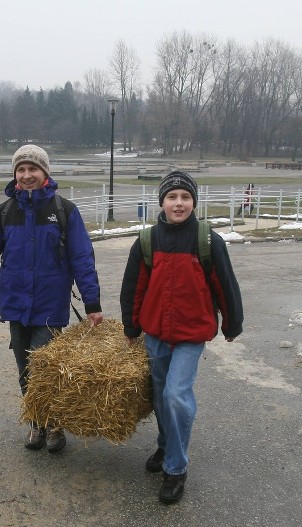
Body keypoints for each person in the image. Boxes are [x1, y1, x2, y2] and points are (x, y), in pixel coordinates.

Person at [0, 144, 103, 453]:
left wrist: (92, 304)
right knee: (25, 370)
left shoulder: (64, 211)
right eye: (21, 170)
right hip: (16, 306)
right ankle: (36, 424)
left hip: (50, 307)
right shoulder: (4, 214)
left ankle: (54, 425)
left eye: (33, 169)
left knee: (46, 368)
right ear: (15, 175)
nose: (27, 175)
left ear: (45, 174)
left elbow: (82, 258)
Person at [120, 170, 243, 504]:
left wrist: (232, 325)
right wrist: (132, 328)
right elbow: (134, 288)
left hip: (190, 335)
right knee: (159, 396)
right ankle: (165, 445)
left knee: (176, 395)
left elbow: (225, 287)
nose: (179, 203)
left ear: (194, 202)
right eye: (172, 197)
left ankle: (175, 468)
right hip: (156, 334)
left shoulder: (207, 241)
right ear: (162, 202)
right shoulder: (147, 241)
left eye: (185, 197)